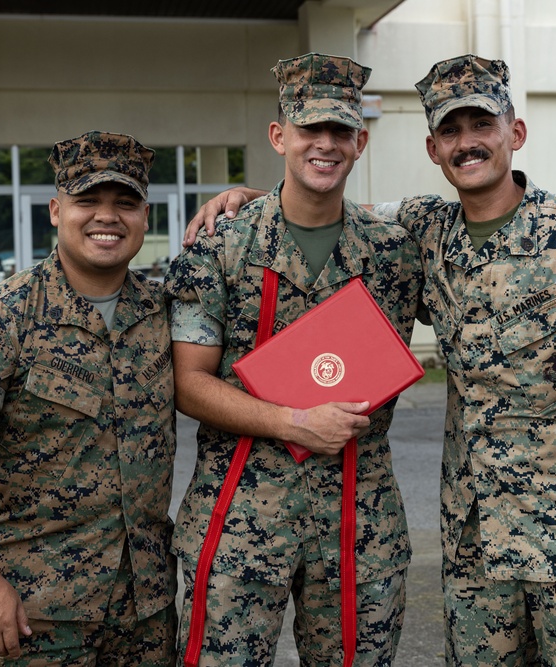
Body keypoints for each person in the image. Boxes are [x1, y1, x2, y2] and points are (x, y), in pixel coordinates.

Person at [185, 54, 556, 666]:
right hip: (475, 544)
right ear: (432, 147)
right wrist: (248, 196)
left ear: (515, 133)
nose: (467, 143)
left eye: (483, 125)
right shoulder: (424, 232)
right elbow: (322, 206)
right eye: (451, 131)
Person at [164, 53, 424, 666]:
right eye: (311, 130)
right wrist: (292, 422)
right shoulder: (222, 245)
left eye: (340, 132)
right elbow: (189, 383)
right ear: (280, 136)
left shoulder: (395, 250)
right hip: (241, 515)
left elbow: (489, 243)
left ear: (360, 142)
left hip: (360, 523)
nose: (325, 145)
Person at [0, 131, 178, 666]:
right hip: (33, 613)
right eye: (88, 201)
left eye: (125, 203)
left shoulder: (166, 314)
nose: (107, 217)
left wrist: (242, 199)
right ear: (57, 211)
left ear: (145, 218)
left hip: (146, 613)